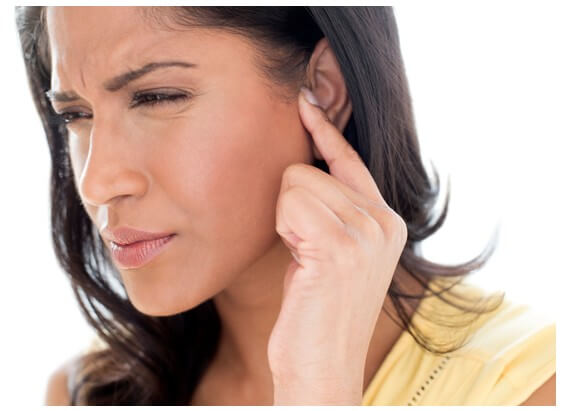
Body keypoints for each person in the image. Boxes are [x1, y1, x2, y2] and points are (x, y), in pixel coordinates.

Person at [15, 6, 555, 405]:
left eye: (156, 97)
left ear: (324, 89)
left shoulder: (529, 389)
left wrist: (319, 389)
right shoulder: (89, 393)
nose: (98, 181)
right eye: (75, 115)